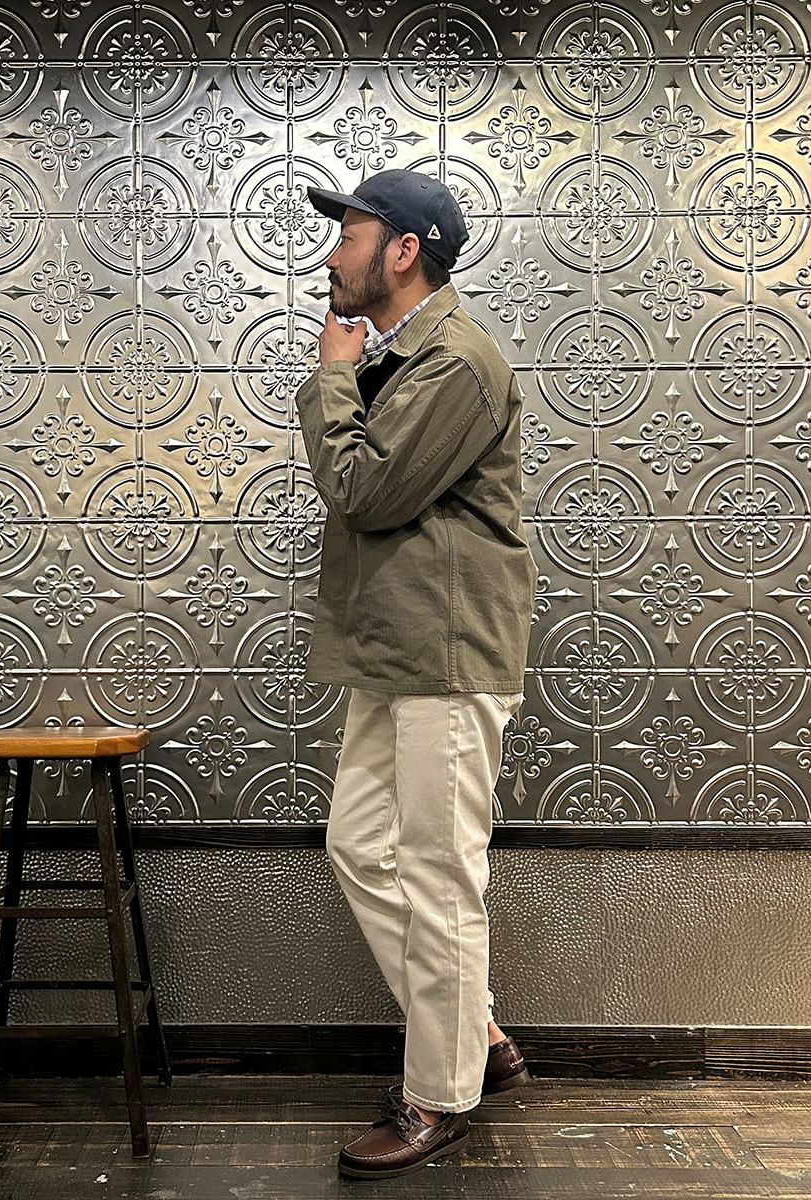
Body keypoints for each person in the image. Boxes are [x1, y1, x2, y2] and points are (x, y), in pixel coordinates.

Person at [293, 168, 539, 1180]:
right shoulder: (406, 356)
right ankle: (475, 1032)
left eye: (348, 235)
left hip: (446, 654)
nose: (332, 255)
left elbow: (365, 490)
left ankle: (437, 1097)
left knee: (439, 876)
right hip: (394, 652)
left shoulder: (458, 361)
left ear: (403, 250)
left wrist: (331, 375)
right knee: (359, 847)